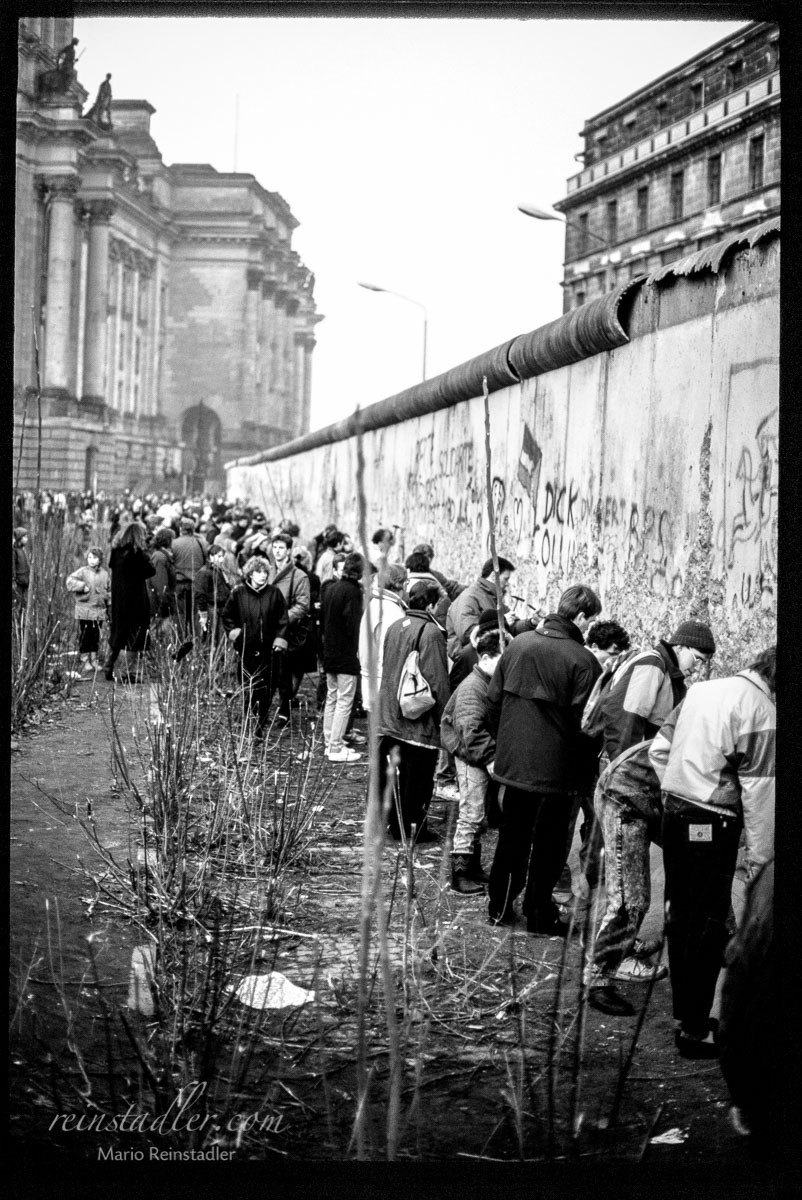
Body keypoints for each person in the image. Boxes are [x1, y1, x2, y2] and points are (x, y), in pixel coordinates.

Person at [649, 645, 776, 1059]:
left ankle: (685, 1016)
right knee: (707, 924)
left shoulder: (701, 690)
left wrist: (679, 785)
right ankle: (694, 1029)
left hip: (675, 810)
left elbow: (658, 750)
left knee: (679, 915)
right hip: (713, 819)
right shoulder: (761, 711)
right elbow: (760, 794)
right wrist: (761, 866)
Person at [584, 618, 716, 1005]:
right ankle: (599, 977)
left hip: (641, 790)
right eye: (697, 657)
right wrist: (623, 771)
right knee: (630, 895)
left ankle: (623, 949)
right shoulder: (654, 665)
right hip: (626, 789)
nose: (698, 666)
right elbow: (624, 718)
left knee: (637, 884)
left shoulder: (673, 678)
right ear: (682, 646)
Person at [486, 584, 603, 935]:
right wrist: (584, 770)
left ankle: (499, 907)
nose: (590, 627)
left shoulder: (518, 645)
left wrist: (506, 746)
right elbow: (589, 726)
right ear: (579, 616)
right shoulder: (584, 661)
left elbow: (493, 702)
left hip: (514, 766)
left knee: (512, 837)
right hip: (558, 773)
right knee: (548, 846)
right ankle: (539, 914)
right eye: (590, 619)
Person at [376, 580, 451, 843]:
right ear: (430, 605)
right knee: (417, 778)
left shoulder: (395, 625)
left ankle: (394, 824)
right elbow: (437, 680)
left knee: (396, 775)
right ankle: (413, 828)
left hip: (391, 713)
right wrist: (445, 719)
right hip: (417, 717)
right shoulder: (431, 633)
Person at [440, 629, 504, 894]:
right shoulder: (472, 688)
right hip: (471, 757)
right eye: (502, 661)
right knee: (471, 814)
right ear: (486, 658)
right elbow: (470, 730)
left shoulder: (484, 684)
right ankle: (460, 874)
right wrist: (490, 758)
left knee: (478, 815)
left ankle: (473, 867)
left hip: (477, 754)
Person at [221, 557, 288, 737]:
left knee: (266, 690)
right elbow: (227, 615)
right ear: (250, 574)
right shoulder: (239, 593)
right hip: (246, 650)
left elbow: (282, 619)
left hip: (269, 651)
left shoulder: (274, 594)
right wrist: (236, 634)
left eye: (265, 572)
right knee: (248, 689)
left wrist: (279, 639)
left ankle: (259, 728)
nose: (262, 575)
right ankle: (248, 725)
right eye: (258, 572)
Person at [321, 552, 365, 762]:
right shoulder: (353, 592)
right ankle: (336, 746)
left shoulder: (332, 588)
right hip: (346, 654)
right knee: (345, 700)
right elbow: (353, 624)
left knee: (332, 698)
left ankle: (330, 741)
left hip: (329, 651)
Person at [446, 556, 534, 660]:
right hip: (471, 661)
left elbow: (512, 625)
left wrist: (531, 622)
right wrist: (501, 622)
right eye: (506, 579)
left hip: (488, 656)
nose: (507, 584)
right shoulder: (469, 597)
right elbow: (468, 635)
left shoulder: (492, 598)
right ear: (493, 576)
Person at [268, 532, 312, 724]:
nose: (277, 551)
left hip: (285, 630)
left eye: (281, 548)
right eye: (275, 547)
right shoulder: (266, 571)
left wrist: (283, 619)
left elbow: (302, 606)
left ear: (288, 551)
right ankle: (261, 710)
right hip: (265, 628)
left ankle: (284, 711)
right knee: (265, 671)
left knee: (283, 673)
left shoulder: (299, 576)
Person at [105, 522, 156, 683]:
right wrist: (146, 553)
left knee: (119, 634)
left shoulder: (116, 552)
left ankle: (109, 665)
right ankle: (128, 673)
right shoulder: (137, 554)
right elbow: (150, 570)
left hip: (119, 600)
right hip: (135, 601)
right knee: (134, 637)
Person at [358, 563, 408, 711]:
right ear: (402, 584)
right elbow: (388, 650)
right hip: (383, 681)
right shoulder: (391, 610)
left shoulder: (376, 604)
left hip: (372, 677)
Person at [65, 547, 110, 673]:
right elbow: (69, 581)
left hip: (99, 610)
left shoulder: (104, 574)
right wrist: (82, 586)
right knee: (85, 634)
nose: (91, 560)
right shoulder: (83, 571)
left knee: (96, 635)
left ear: (100, 559)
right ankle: (85, 660)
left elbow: (109, 590)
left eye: (94, 558)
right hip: (85, 609)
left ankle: (94, 660)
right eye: (89, 557)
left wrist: (108, 603)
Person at [172, 517, 208, 638]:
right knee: (195, 614)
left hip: (179, 584)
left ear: (180, 529)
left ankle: (181, 640)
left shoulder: (174, 544)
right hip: (196, 583)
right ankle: (196, 640)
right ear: (193, 529)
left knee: (180, 615)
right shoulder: (201, 543)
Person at [195, 543, 232, 648]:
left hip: (221, 607)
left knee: (220, 637)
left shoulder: (218, 570)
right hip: (211, 607)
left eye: (222, 556)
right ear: (211, 556)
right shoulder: (204, 572)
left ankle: (219, 655)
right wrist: (203, 614)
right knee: (211, 637)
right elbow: (200, 593)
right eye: (219, 556)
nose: (221, 559)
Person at [147, 526, 176, 632]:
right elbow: (160, 586)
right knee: (160, 634)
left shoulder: (162, 556)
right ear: (168, 541)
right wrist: (166, 605)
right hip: (159, 607)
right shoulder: (160, 557)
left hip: (161, 605)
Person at [13, 527, 31, 613]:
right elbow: (13, 567)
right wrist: (14, 581)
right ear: (20, 538)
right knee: (18, 606)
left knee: (24, 605)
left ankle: (22, 620)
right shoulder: (14, 551)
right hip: (18, 583)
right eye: (25, 537)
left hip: (25, 582)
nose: (26, 538)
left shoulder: (23, 550)